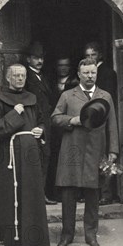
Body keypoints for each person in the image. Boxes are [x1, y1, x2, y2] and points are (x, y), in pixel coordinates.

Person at [51, 58, 119, 246]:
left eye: (93, 72)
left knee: (92, 195)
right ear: (79, 74)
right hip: (71, 150)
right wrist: (72, 120)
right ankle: (67, 235)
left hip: (95, 150)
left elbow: (112, 124)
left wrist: (113, 151)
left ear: (96, 74)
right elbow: (54, 118)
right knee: (68, 195)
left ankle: (91, 235)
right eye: (86, 73)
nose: (90, 76)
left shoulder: (105, 96)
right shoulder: (67, 95)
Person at [0, 64, 51, 246]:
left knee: (32, 194)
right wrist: (14, 114)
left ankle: (34, 240)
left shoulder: (32, 98)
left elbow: (41, 120)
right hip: (9, 155)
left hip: (31, 153)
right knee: (11, 194)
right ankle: (14, 240)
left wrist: (41, 130)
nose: (20, 79)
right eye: (16, 76)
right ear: (8, 78)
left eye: (23, 75)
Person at [84, 41, 119, 205]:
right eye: (88, 55)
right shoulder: (86, 73)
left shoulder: (107, 73)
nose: (90, 58)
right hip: (90, 121)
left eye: (93, 55)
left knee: (106, 158)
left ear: (100, 55)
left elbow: (107, 98)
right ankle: (91, 192)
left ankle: (106, 193)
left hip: (103, 118)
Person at [24, 41, 56, 205]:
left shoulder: (42, 76)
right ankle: (35, 198)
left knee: (45, 158)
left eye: (42, 58)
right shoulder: (26, 77)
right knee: (35, 160)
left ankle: (42, 194)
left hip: (45, 124)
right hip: (34, 125)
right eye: (36, 58)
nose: (40, 61)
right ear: (28, 59)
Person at [47, 56, 79, 202]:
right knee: (55, 160)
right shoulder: (50, 82)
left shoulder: (76, 83)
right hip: (55, 127)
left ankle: (77, 194)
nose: (63, 68)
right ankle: (55, 193)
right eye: (60, 65)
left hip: (73, 127)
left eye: (66, 65)